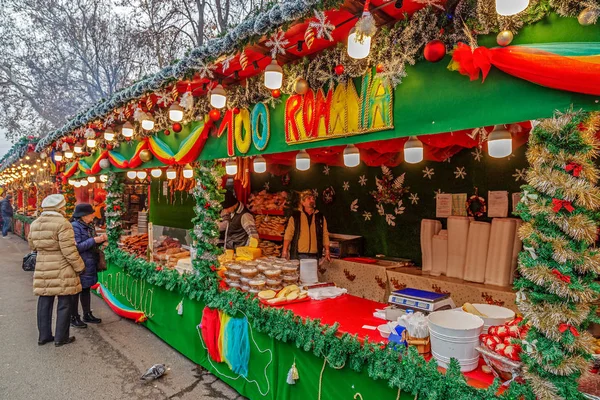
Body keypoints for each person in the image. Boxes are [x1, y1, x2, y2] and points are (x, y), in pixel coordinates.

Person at [29, 194, 85, 347]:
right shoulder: (63, 224)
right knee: (64, 302)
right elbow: (69, 251)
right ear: (60, 207)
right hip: (62, 266)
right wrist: (80, 266)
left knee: (44, 300)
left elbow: (32, 245)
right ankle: (61, 337)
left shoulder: (35, 223)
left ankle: (44, 336)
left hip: (42, 265)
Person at [70, 203, 107, 328]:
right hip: (81, 262)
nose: (93, 215)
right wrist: (94, 240)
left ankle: (87, 314)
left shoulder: (89, 225)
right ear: (83, 216)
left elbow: (90, 243)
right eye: (91, 214)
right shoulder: (75, 227)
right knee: (77, 290)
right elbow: (77, 246)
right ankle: (74, 316)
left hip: (90, 261)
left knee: (86, 289)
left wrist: (100, 241)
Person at [282, 190, 331, 262]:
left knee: (312, 273)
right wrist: (284, 251)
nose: (312, 200)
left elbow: (325, 234)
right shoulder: (295, 216)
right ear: (302, 202)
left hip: (315, 256)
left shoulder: (320, 217)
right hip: (298, 255)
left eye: (313, 198)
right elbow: (289, 234)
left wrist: (327, 251)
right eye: (309, 198)